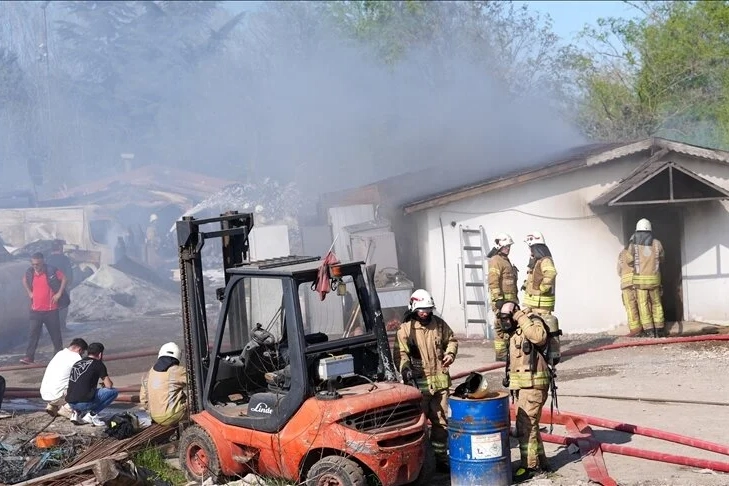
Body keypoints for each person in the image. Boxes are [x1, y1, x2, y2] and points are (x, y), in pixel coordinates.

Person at [393, 289, 458, 469]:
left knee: (441, 425)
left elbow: (452, 340)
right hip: (418, 389)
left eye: (429, 309)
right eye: (422, 309)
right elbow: (400, 354)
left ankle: (440, 461)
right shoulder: (406, 330)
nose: (426, 312)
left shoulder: (439, 325)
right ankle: (421, 464)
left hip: (441, 387)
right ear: (414, 308)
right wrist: (405, 369)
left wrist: (450, 354)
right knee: (417, 427)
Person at [497, 301, 551, 483]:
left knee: (525, 428)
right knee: (530, 425)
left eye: (507, 318)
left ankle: (529, 467)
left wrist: (520, 316)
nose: (505, 323)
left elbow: (539, 338)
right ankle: (542, 462)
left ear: (515, 314)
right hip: (523, 387)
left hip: (534, 386)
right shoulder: (516, 332)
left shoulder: (532, 322)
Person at [20, 252, 67, 364]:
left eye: (38, 264)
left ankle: (59, 357)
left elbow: (64, 278)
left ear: (43, 262)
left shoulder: (51, 271)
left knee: (55, 335)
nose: (36, 266)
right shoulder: (30, 272)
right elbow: (24, 280)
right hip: (36, 310)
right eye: (33, 264)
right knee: (33, 335)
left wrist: (59, 293)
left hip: (51, 310)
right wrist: (29, 292)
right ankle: (29, 357)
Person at [628, 218, 666, 337]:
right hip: (654, 280)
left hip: (640, 282)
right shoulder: (657, 243)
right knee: (656, 303)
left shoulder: (633, 245)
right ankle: (659, 329)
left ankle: (649, 330)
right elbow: (662, 259)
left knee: (643, 304)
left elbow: (629, 261)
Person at [66, 342, 118, 426]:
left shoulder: (77, 363)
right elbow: (109, 385)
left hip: (71, 403)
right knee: (113, 392)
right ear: (100, 354)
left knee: (84, 391)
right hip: (83, 404)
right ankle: (92, 415)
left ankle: (76, 413)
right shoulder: (98, 364)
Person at [487, 233, 518, 362]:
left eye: (509, 246)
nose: (508, 249)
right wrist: (498, 299)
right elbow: (493, 281)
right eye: (505, 247)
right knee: (501, 326)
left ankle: (508, 352)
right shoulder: (496, 260)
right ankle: (501, 355)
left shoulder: (505, 260)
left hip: (509, 301)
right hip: (502, 301)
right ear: (499, 246)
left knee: (510, 326)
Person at [140, 342, 187, 426]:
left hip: (154, 416)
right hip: (173, 415)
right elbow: (196, 380)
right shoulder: (176, 371)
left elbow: (143, 399)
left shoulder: (149, 373)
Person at [40, 338, 88, 419]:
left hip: (45, 394)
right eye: (82, 353)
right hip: (57, 395)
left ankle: (52, 406)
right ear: (79, 350)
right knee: (84, 385)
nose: (82, 355)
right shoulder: (76, 358)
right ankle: (67, 408)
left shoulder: (60, 353)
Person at [522, 232, 557, 316]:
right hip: (535, 305)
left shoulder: (545, 260)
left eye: (531, 247)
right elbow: (534, 277)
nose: (530, 250)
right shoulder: (536, 261)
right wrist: (526, 285)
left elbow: (551, 273)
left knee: (540, 327)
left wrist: (543, 288)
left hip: (541, 306)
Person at [45, 240, 74, 332]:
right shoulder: (64, 259)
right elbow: (69, 273)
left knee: (52, 307)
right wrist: (69, 284)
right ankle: (62, 327)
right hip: (62, 286)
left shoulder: (47, 259)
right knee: (63, 307)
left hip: (51, 287)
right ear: (60, 248)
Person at [617, 247, 642, 337]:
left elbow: (619, 271)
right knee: (642, 304)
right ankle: (645, 328)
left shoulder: (621, 254)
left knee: (630, 307)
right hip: (638, 282)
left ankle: (635, 330)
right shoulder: (641, 250)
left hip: (625, 284)